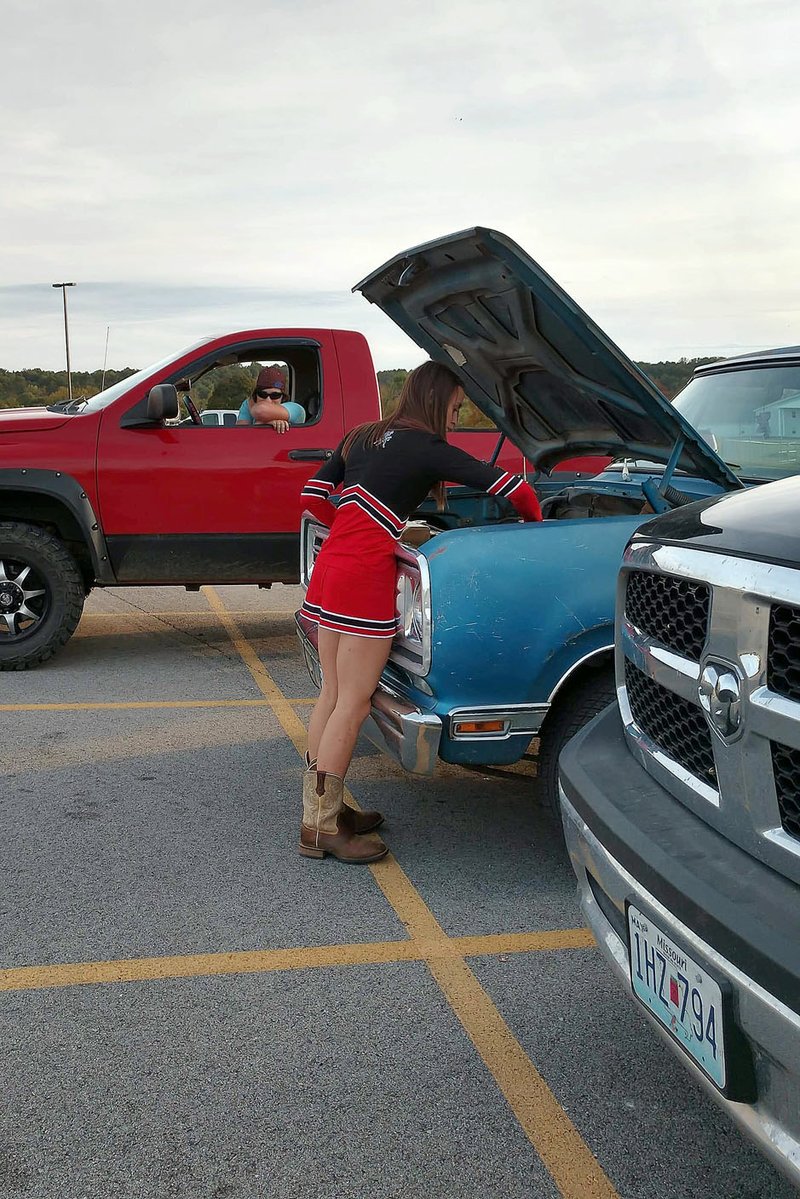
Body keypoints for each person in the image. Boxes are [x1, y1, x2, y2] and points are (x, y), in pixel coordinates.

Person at [296, 360, 543, 864]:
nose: (455, 417)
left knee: (333, 692)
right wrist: (536, 529)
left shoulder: (360, 436)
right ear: (437, 401)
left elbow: (313, 495)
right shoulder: (427, 448)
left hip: (331, 567)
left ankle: (325, 810)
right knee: (354, 703)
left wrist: (358, 529)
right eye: (455, 407)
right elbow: (515, 490)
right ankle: (320, 827)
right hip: (363, 575)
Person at [237, 365, 307, 433]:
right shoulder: (248, 403)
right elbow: (240, 433)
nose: (268, 400)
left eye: (275, 395)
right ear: (256, 394)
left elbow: (260, 410)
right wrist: (265, 424)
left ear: (283, 396)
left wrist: (261, 423)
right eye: (262, 394)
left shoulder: (296, 409)